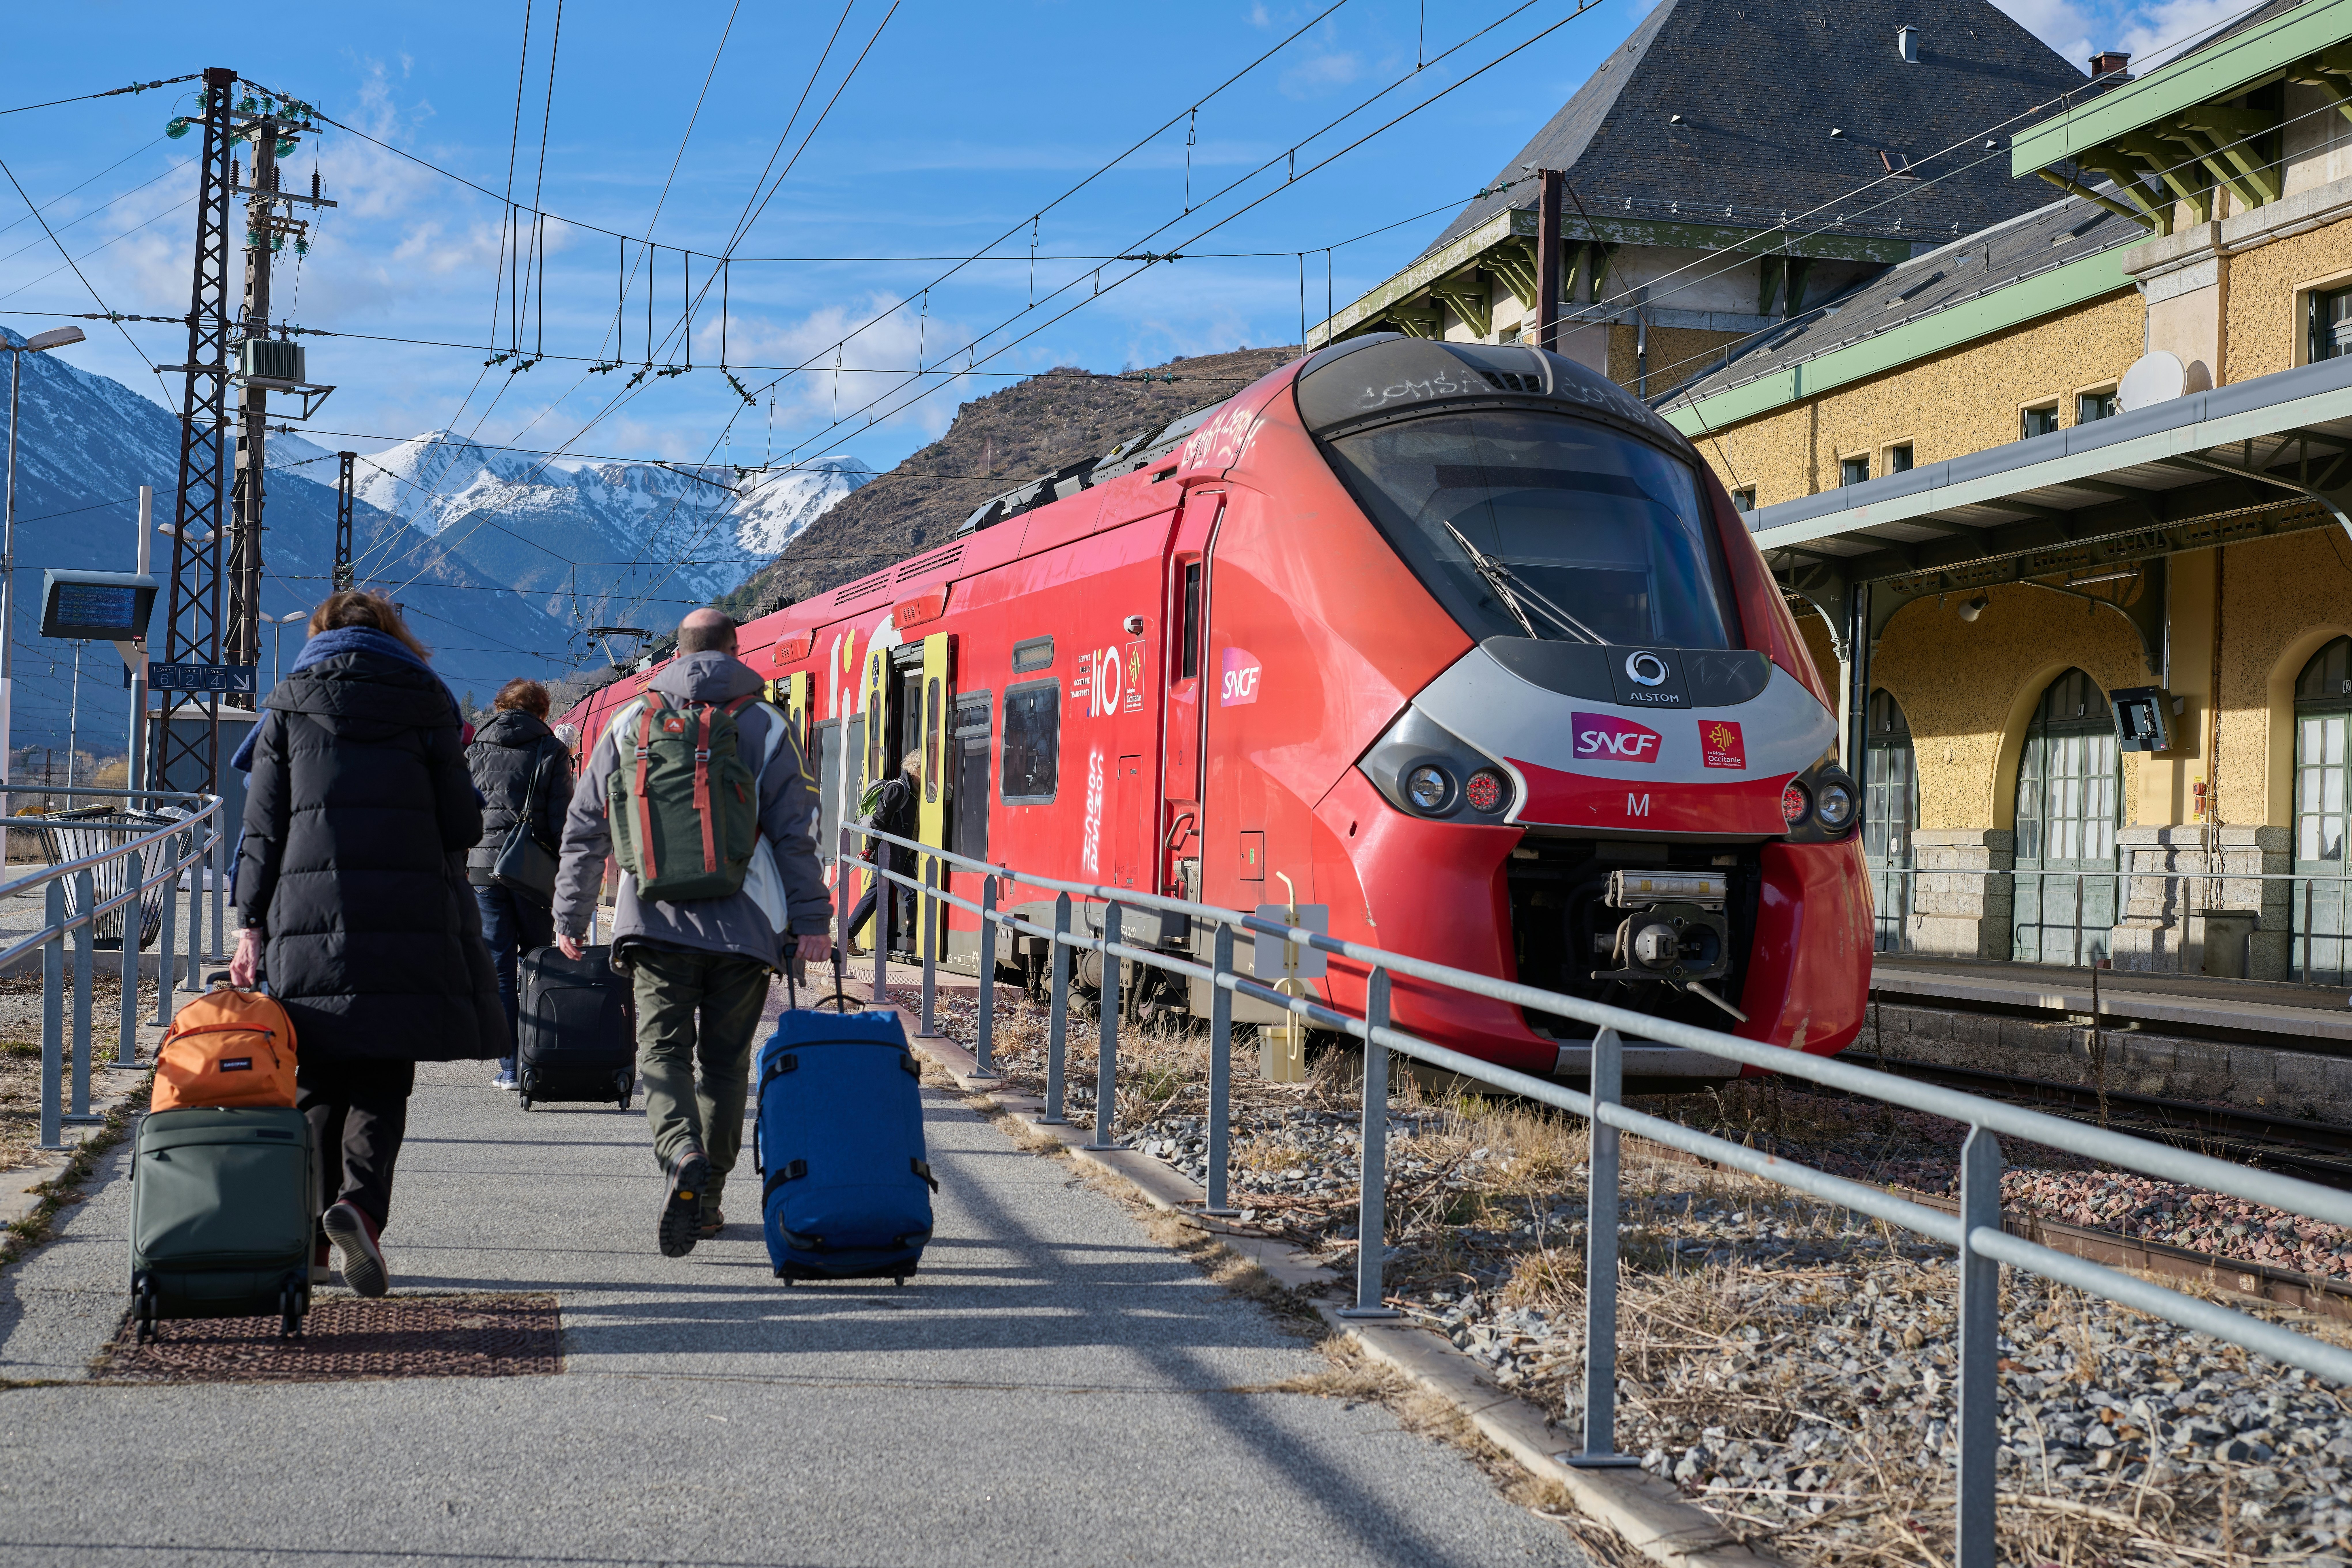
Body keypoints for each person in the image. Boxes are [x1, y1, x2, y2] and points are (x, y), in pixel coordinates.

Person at [229, 590, 505, 1298]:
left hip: (304, 915)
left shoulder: (288, 701)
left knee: (318, 1079)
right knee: (383, 1075)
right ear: (395, 634)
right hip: (408, 913)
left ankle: (317, 1244)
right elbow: (463, 825)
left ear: (318, 635)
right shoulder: (428, 700)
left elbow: (259, 827)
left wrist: (248, 922)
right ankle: (360, 1208)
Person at [552, 608, 832, 1255]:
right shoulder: (768, 724)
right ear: (735, 650)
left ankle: (679, 1151)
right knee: (727, 1066)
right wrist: (812, 919)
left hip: (653, 922)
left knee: (662, 1053)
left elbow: (585, 826)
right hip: (746, 924)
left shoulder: (629, 720)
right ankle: (707, 1202)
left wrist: (570, 915)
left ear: (674, 655)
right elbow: (799, 831)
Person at [466, 678, 573, 1089]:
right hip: (532, 870)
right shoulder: (551, 750)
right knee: (537, 963)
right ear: (542, 712)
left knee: (498, 971)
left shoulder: (475, 748)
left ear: (499, 707)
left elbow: (463, 811)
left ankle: (509, 1067)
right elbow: (564, 822)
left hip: (482, 870)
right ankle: (539, 1059)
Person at [845, 748, 921, 957]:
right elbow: (879, 821)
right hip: (889, 854)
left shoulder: (914, 793)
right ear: (916, 769)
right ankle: (914, 943)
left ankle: (847, 936)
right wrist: (869, 849)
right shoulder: (898, 789)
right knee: (912, 892)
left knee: (876, 894)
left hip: (900, 854)